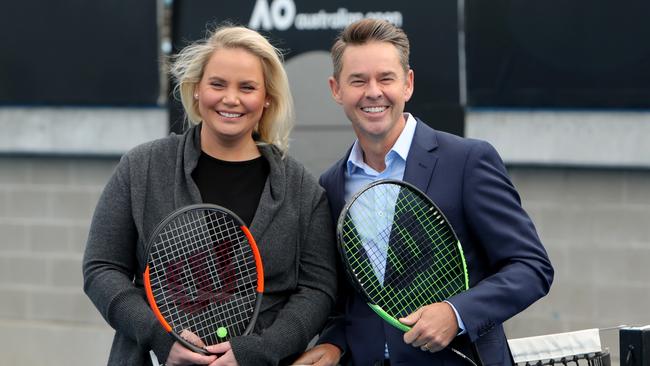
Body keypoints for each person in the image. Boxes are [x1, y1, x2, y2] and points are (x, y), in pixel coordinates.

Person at [294, 19, 554, 366]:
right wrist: (334, 343)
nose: (373, 92)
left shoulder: (467, 161)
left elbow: (531, 267)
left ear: (408, 84)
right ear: (336, 89)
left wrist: (455, 312)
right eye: (358, 80)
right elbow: (355, 299)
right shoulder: (331, 185)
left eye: (386, 78)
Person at [82, 25, 338, 366]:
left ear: (266, 99)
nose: (230, 98)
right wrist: (161, 337)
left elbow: (317, 290)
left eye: (247, 87)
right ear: (197, 90)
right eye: (217, 84)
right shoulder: (141, 167)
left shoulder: (303, 190)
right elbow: (101, 269)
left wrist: (258, 351)